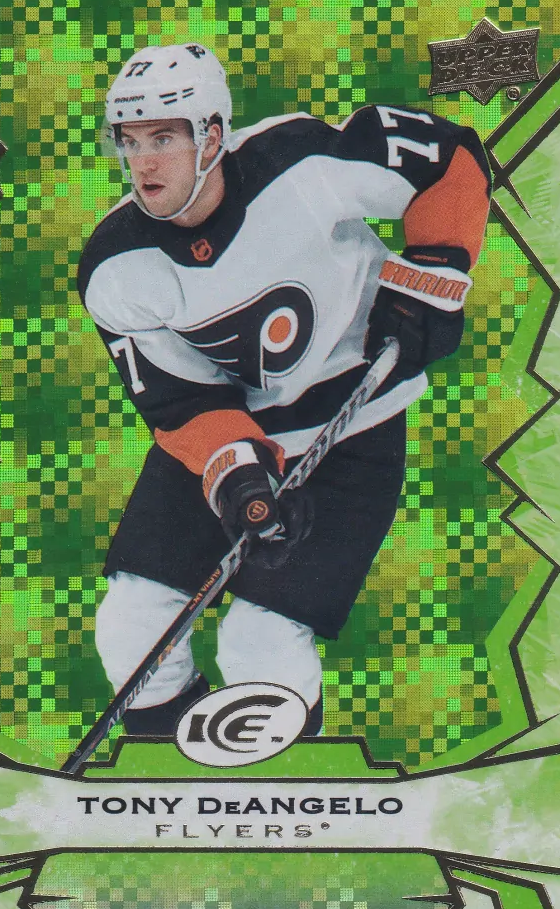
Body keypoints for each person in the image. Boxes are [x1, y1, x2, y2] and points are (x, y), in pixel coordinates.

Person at [77, 42, 491, 737]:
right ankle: (167, 767)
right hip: (235, 430)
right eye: (131, 140)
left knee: (259, 643)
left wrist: (434, 270)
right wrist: (237, 474)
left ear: (212, 135)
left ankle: (282, 775)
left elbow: (450, 158)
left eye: (164, 138)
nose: (143, 162)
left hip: (355, 425)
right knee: (131, 626)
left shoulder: (297, 161)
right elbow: (180, 403)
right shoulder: (115, 269)